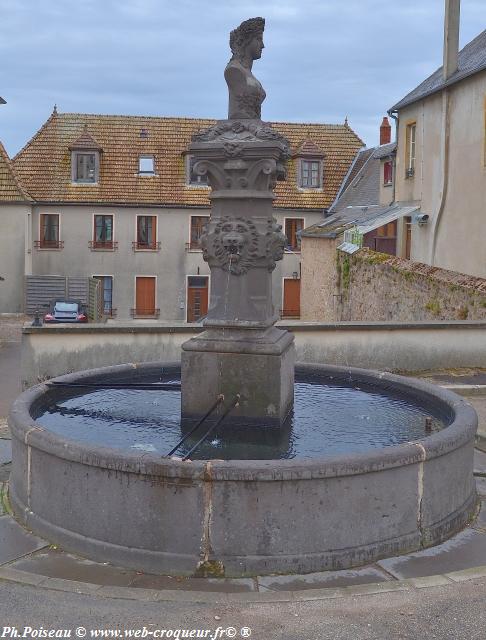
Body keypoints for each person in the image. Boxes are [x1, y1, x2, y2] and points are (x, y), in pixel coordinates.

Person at [224, 17, 266, 120]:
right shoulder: (234, 70)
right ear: (247, 40)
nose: (263, 45)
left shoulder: (249, 74)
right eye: (259, 39)